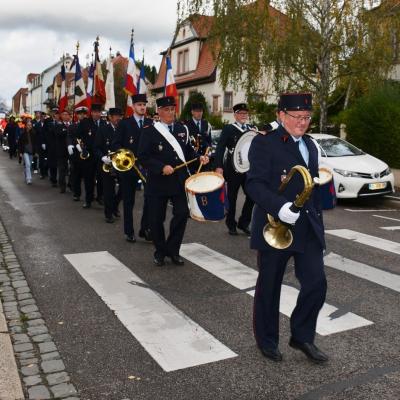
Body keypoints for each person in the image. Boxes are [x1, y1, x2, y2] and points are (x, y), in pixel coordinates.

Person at [246, 92, 328, 364]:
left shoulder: (311, 145)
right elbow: (254, 184)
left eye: (307, 117)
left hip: (308, 228)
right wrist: (280, 207)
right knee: (269, 286)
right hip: (276, 225)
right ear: (281, 115)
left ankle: (302, 336)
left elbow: (312, 185)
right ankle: (267, 340)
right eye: (297, 117)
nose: (303, 123)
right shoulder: (264, 143)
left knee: (316, 283)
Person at [138, 96, 209, 266]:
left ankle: (173, 250)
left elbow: (188, 151)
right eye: (167, 109)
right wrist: (160, 167)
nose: (170, 113)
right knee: (156, 219)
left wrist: (199, 157)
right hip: (158, 181)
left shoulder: (181, 128)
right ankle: (160, 251)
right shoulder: (149, 131)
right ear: (159, 111)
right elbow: (143, 156)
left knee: (182, 214)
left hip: (179, 180)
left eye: (172, 109)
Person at [112, 94, 153, 242]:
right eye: (139, 105)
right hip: (129, 167)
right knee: (129, 201)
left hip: (146, 167)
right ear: (133, 106)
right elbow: (115, 144)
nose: (142, 107)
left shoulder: (150, 122)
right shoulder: (125, 123)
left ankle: (145, 228)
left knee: (150, 199)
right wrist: (126, 156)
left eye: (144, 104)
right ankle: (129, 231)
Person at [215, 103, 255, 235]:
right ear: (235, 115)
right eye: (241, 113)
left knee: (252, 195)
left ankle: (244, 222)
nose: (244, 116)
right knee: (232, 197)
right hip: (233, 169)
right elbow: (220, 148)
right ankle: (231, 224)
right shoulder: (229, 129)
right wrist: (219, 166)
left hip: (248, 168)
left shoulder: (251, 129)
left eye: (245, 113)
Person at [94, 107, 123, 223]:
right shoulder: (103, 129)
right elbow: (96, 147)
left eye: (120, 116)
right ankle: (108, 213)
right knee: (108, 190)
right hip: (108, 163)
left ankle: (115, 205)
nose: (118, 118)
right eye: (116, 116)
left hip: (121, 163)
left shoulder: (123, 128)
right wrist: (102, 157)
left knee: (124, 189)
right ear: (110, 117)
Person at [75, 103, 104, 208]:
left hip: (101, 155)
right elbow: (77, 136)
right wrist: (81, 148)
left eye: (99, 112)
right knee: (88, 178)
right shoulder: (84, 123)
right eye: (95, 112)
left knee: (101, 177)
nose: (97, 114)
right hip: (89, 154)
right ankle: (88, 199)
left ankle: (100, 197)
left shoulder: (104, 123)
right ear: (91, 113)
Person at [67, 106, 88, 201]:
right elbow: (69, 137)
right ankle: (77, 193)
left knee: (88, 176)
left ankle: (89, 196)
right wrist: (70, 145)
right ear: (77, 115)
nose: (82, 116)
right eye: (80, 114)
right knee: (76, 175)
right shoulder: (72, 126)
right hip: (76, 154)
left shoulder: (90, 126)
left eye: (83, 114)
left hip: (87, 153)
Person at [184, 102, 212, 170]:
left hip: (205, 162)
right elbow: (186, 147)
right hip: (193, 162)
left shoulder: (206, 124)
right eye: (197, 111)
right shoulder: (186, 126)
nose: (199, 113)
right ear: (192, 112)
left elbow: (209, 142)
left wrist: (208, 155)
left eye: (201, 111)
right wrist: (198, 157)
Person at [42, 108, 60, 187]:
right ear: (52, 113)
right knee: (52, 163)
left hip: (59, 146)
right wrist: (43, 142)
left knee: (58, 164)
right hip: (50, 145)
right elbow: (44, 132)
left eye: (56, 113)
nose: (55, 114)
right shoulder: (47, 121)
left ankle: (58, 178)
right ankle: (53, 180)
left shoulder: (60, 121)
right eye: (54, 112)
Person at [55, 110, 71, 193]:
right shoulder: (59, 125)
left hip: (71, 150)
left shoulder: (71, 125)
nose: (65, 116)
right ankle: (62, 186)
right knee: (62, 169)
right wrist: (68, 130)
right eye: (64, 114)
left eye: (67, 114)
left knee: (72, 168)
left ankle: (71, 184)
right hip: (62, 151)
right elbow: (59, 134)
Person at [18, 119, 38, 184]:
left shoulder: (34, 133)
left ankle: (26, 174)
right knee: (28, 164)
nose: (29, 126)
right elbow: (20, 144)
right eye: (28, 125)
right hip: (25, 151)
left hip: (31, 151)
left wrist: (36, 152)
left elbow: (35, 143)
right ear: (26, 126)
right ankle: (29, 179)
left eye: (30, 125)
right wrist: (20, 152)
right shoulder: (22, 134)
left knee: (28, 165)